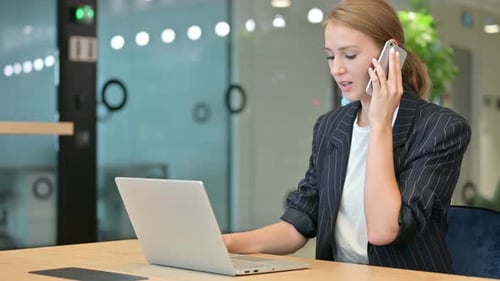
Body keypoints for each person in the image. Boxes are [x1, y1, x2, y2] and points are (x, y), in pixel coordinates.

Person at [223, 0, 471, 274]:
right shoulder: (331, 126)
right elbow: (300, 222)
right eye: (330, 56)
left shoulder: (440, 128)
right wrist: (225, 242)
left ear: (391, 55)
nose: (336, 69)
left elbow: (383, 230)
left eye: (349, 55)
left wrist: (379, 125)